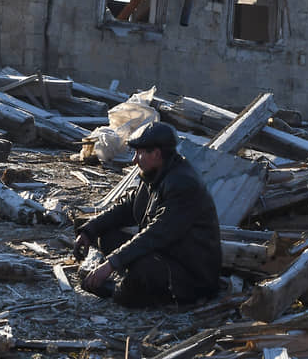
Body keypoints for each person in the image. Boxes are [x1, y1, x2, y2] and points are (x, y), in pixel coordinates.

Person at [74, 122, 222, 307]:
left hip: (191, 274)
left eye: (139, 153)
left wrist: (111, 264)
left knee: (139, 277)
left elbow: (157, 233)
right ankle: (123, 281)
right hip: (165, 255)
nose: (134, 160)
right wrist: (89, 230)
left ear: (157, 154)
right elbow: (127, 207)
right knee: (107, 237)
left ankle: (118, 290)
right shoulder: (155, 175)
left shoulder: (183, 184)